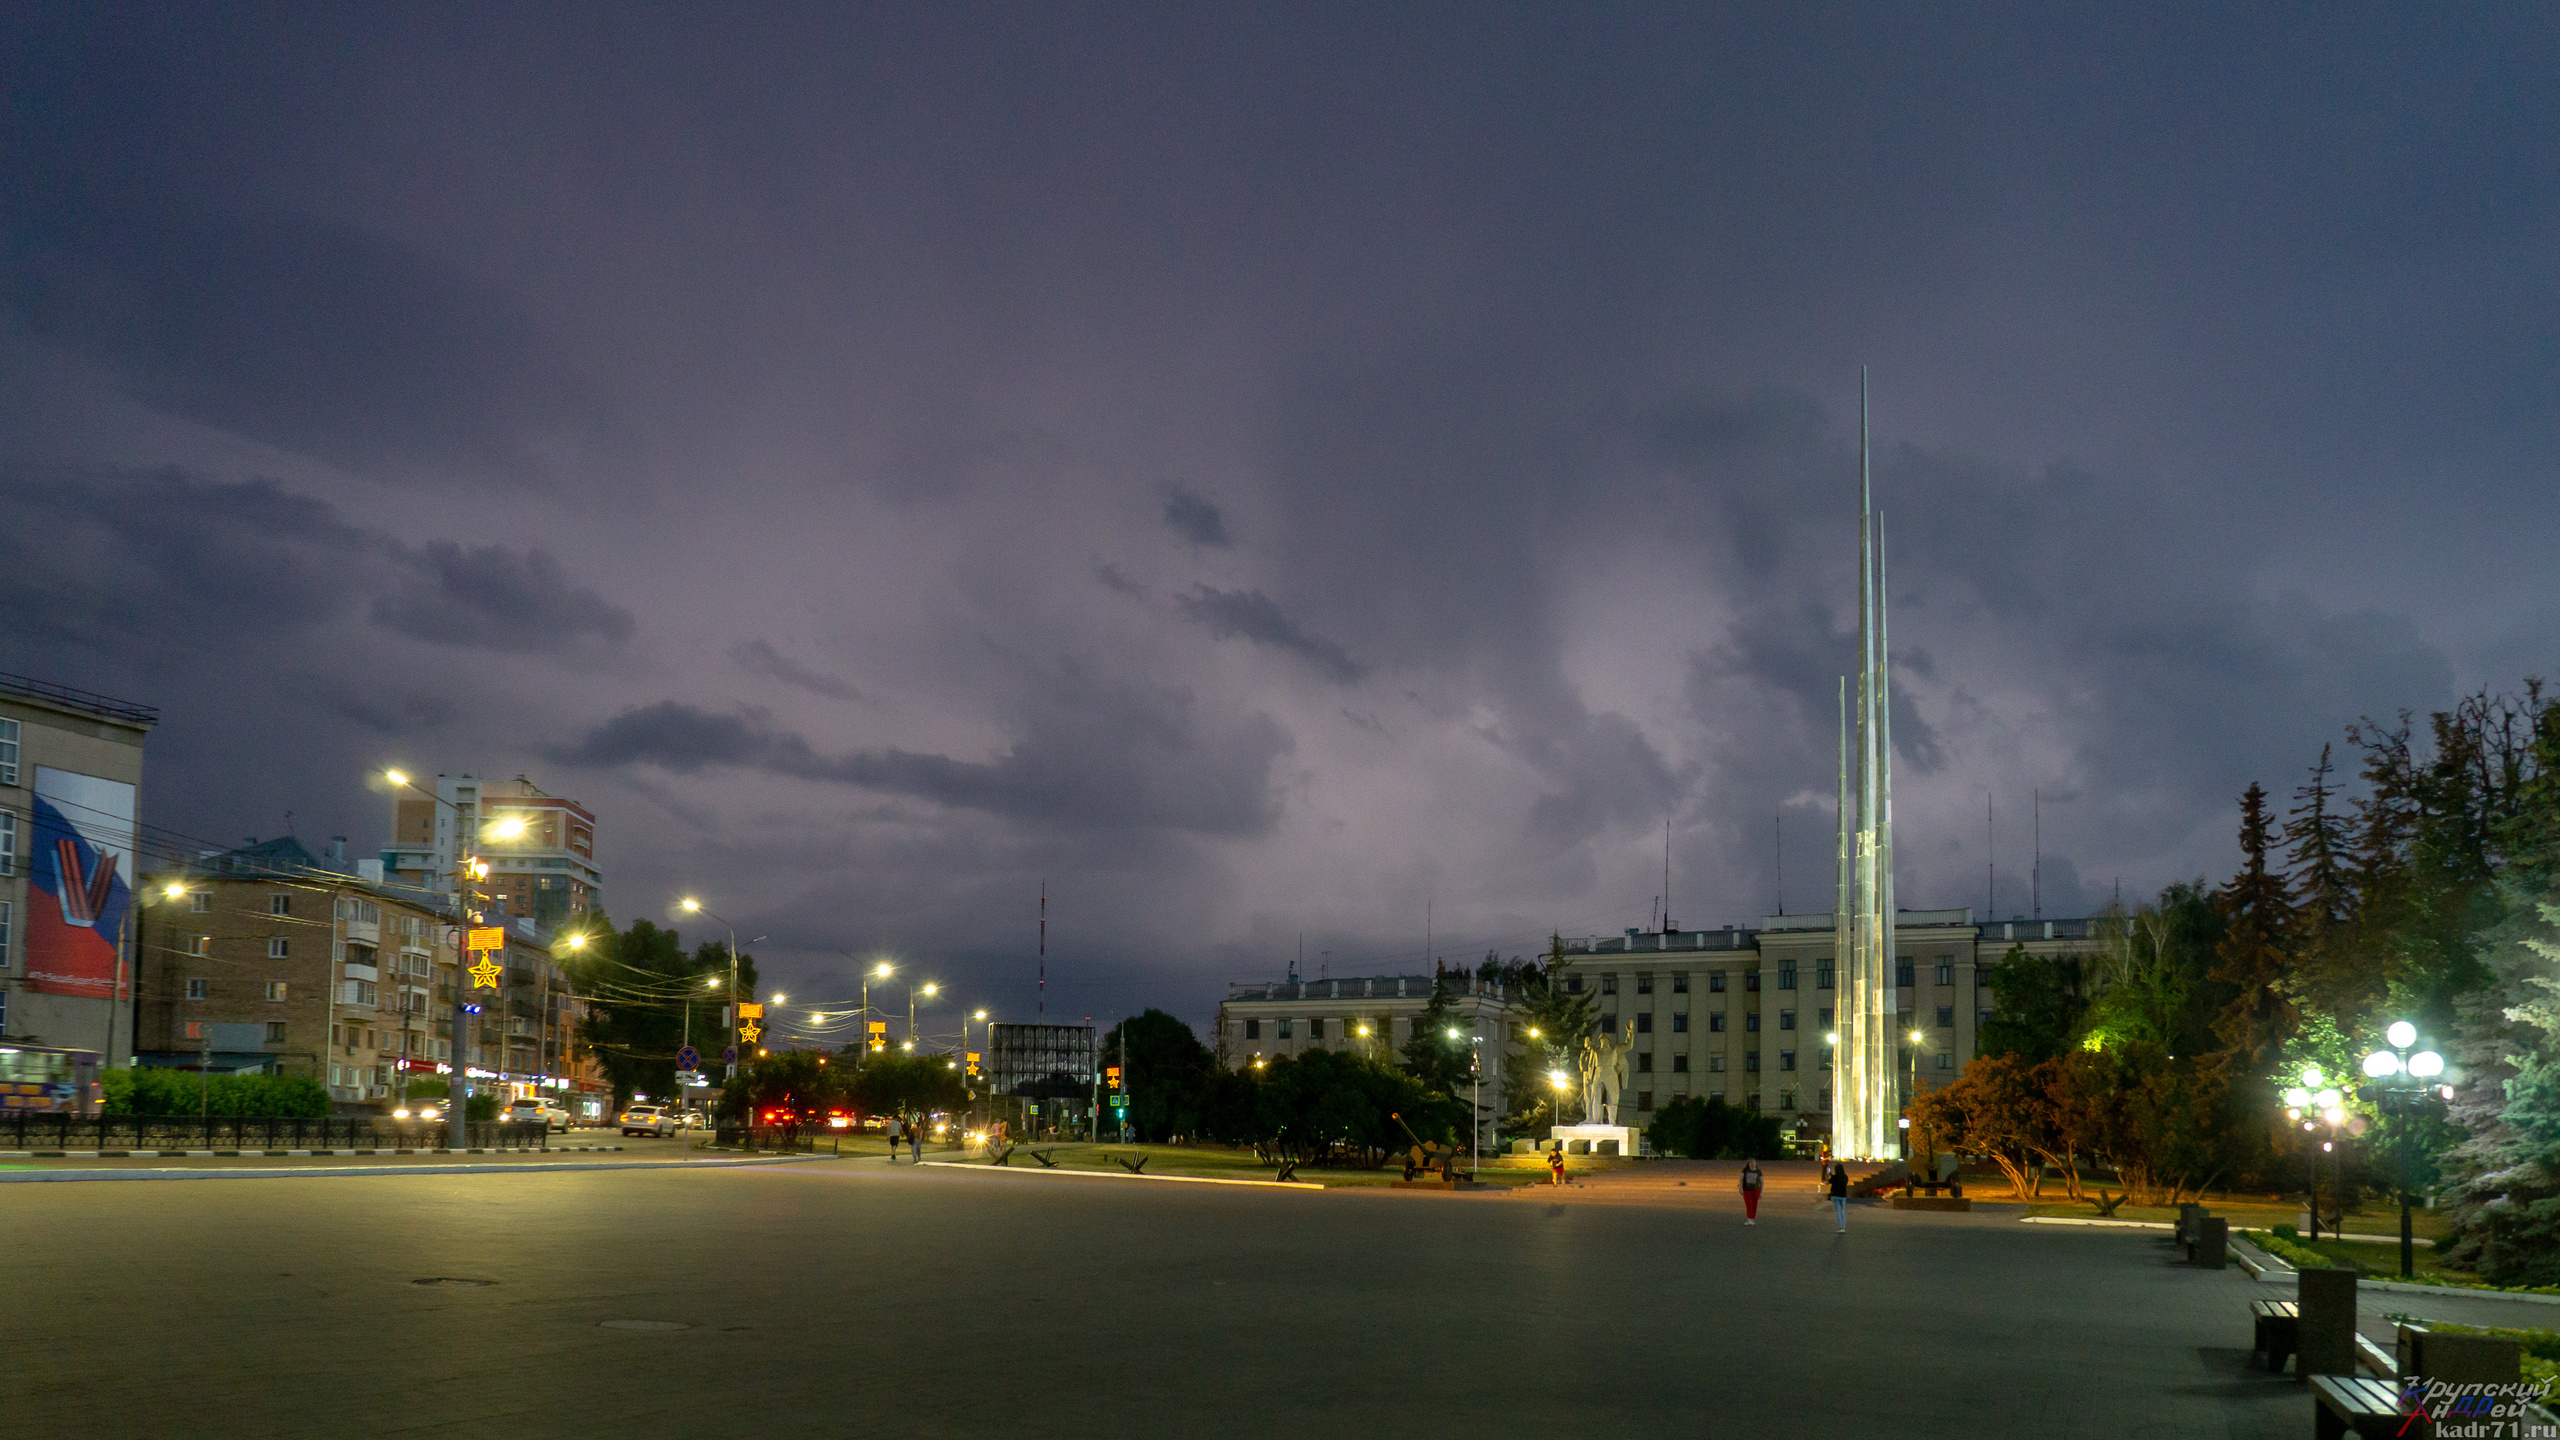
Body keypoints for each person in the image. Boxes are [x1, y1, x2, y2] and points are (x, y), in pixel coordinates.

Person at [1827, 1157, 1850, 1233]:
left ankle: (1840, 1227)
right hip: (1843, 1195)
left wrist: (1830, 1175)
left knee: (1838, 1211)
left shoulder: (1834, 1177)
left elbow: (1828, 1182)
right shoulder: (1845, 1177)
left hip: (1835, 1195)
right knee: (1842, 1211)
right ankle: (1843, 1226)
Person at [1739, 1157, 1764, 1224]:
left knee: (1754, 1204)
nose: (1752, 1164)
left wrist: (1761, 1192)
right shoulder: (1744, 1170)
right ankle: (1749, 1218)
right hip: (1747, 1190)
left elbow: (1762, 1182)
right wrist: (1740, 1188)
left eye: (1754, 1163)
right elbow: (1741, 1180)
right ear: (1748, 1164)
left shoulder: (1758, 1171)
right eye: (1751, 1163)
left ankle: (1752, 1219)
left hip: (1756, 1190)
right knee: (1749, 1204)